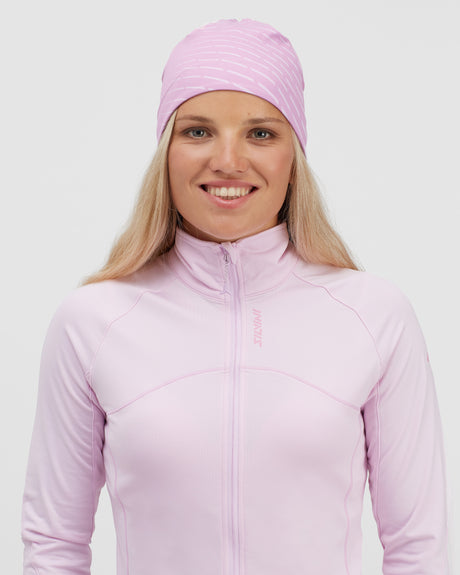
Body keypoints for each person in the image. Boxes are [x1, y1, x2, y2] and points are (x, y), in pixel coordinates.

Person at [21, 18, 450, 575]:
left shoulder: (374, 316)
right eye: (198, 131)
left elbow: (418, 549)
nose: (227, 160)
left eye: (261, 133)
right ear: (166, 153)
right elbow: (54, 545)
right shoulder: (92, 321)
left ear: (294, 158)